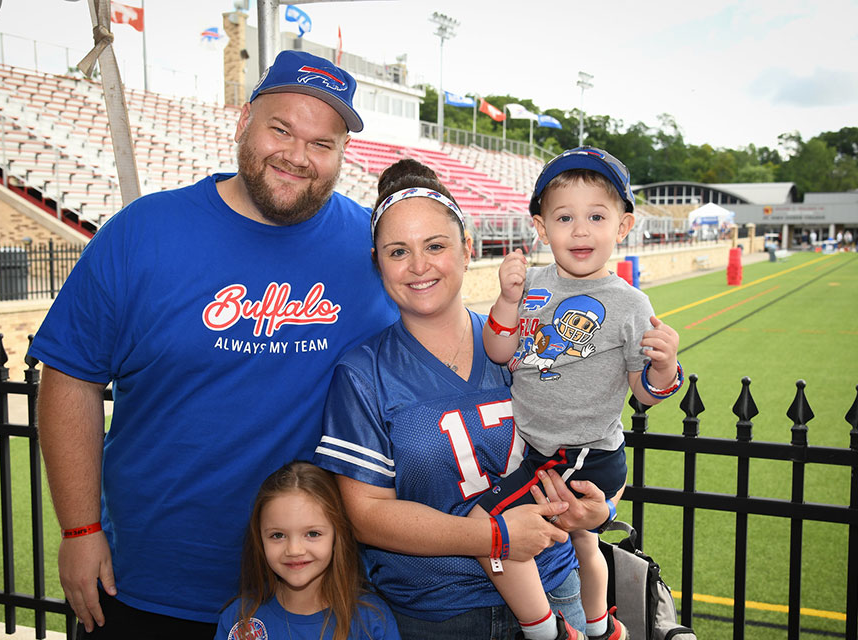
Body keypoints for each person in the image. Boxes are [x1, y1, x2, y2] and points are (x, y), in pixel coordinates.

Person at [30, 50, 398, 639]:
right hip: (145, 584)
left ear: (341, 155)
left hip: (308, 598)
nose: (298, 156)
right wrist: (78, 529)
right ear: (243, 122)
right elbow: (71, 376)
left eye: (322, 143)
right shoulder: (142, 232)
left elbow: (439, 344)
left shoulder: (374, 247)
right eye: (282, 129)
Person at [314, 158, 617, 640]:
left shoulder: (526, 341)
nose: (418, 266)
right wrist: (493, 536)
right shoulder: (363, 373)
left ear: (467, 249)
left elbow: (587, 436)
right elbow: (367, 515)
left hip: (557, 588)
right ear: (378, 263)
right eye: (398, 252)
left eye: (435, 246)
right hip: (436, 614)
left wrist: (600, 511)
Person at [470, 146, 682, 640]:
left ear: (623, 227)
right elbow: (500, 350)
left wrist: (665, 365)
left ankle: (547, 632)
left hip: (581, 454)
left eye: (596, 216)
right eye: (564, 217)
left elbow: (644, 395)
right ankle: (602, 628)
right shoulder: (531, 285)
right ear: (542, 229)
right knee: (586, 547)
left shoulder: (630, 302)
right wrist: (504, 299)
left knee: (489, 529)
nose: (580, 230)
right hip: (542, 448)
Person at [216, 461, 400, 640]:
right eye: (278, 535)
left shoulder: (372, 619)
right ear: (260, 539)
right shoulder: (240, 618)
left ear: (338, 535)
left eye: (312, 533)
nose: (294, 550)